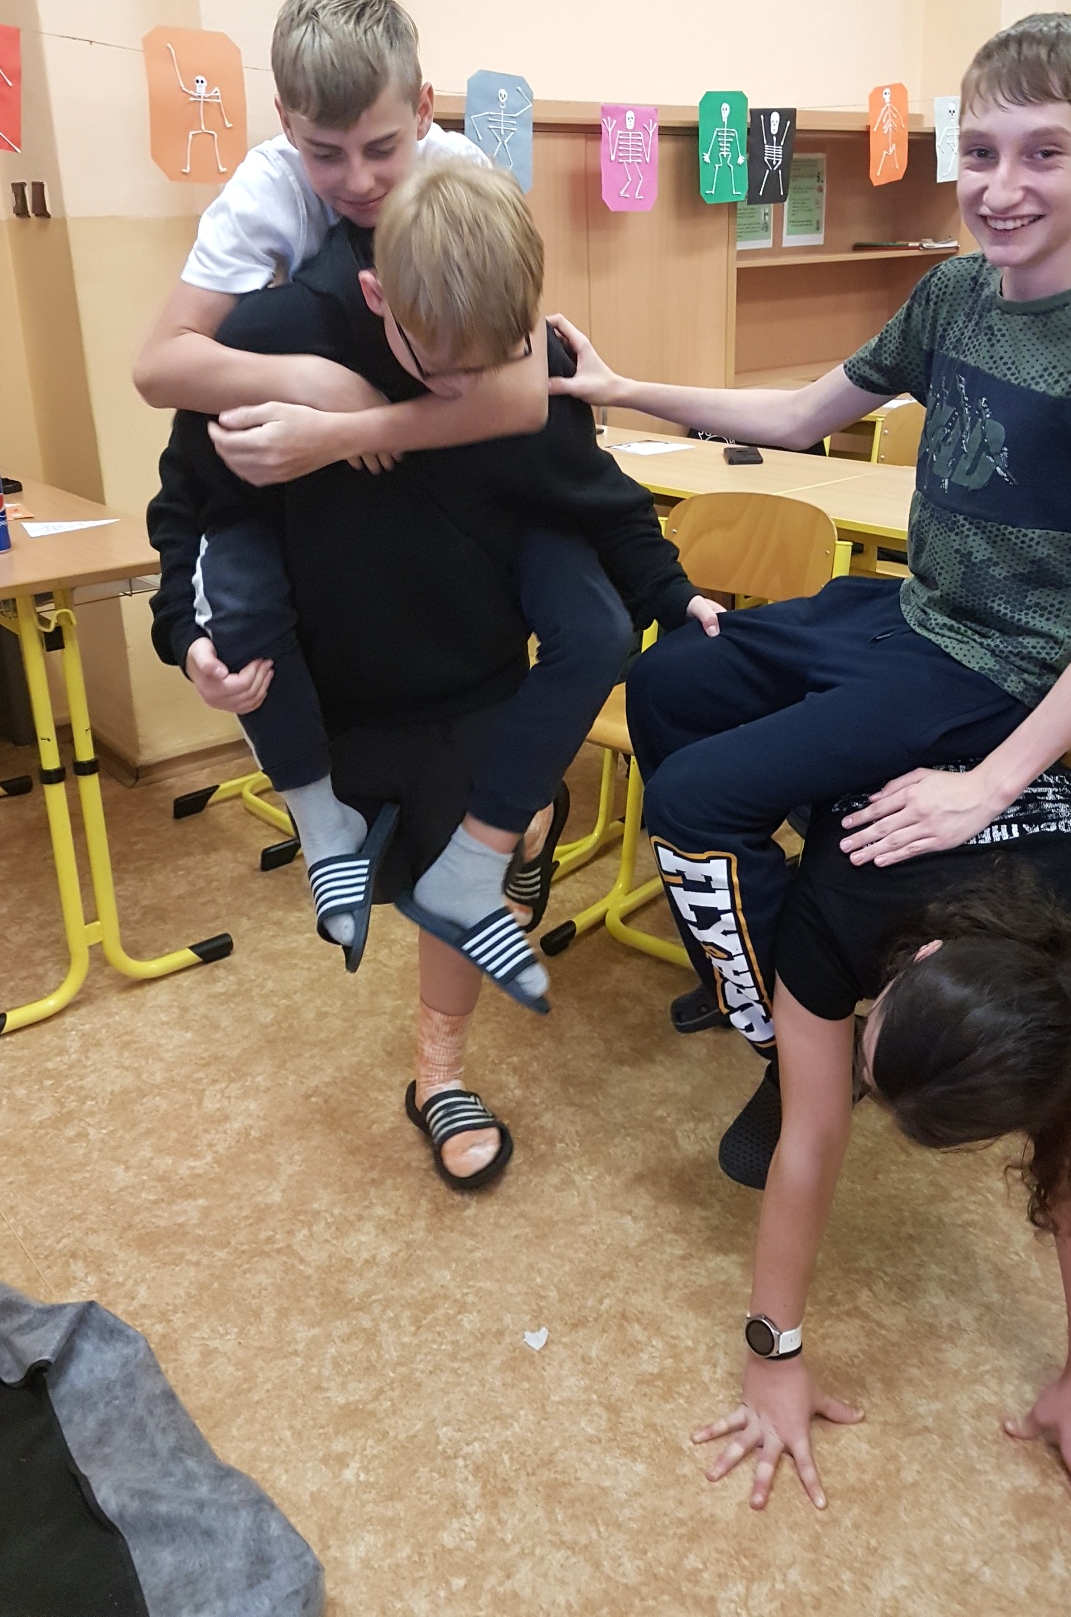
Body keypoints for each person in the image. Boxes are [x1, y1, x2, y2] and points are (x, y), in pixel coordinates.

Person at [547, 11, 1071, 1075]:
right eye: (980, 154)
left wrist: (993, 782)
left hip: (1006, 667)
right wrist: (620, 387)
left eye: (1043, 154)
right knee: (668, 684)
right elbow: (800, 414)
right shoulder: (953, 291)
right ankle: (761, 956)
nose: (1002, 187)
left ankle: (797, 1043)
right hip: (906, 615)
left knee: (693, 798)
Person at [148, 159, 720, 1189]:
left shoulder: (525, 359)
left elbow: (591, 492)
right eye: (441, 365)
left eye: (493, 364)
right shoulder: (273, 334)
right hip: (337, 676)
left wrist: (673, 595)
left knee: (455, 886)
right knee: (401, 869)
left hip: (471, 674)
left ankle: (439, 1076)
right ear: (380, 300)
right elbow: (190, 499)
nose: (466, 392)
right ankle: (530, 821)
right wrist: (183, 633)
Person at [134, 0, 637, 966]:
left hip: (465, 497)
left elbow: (517, 398)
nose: (359, 180)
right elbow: (160, 370)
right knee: (262, 612)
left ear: (424, 110)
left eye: (381, 148)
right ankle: (336, 819)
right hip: (348, 505)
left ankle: (517, 820)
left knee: (588, 633)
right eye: (325, 152)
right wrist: (321, 384)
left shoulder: (462, 173)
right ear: (286, 124)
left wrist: (351, 428)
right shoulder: (266, 197)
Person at [692, 760, 1071, 1535]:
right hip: (887, 741)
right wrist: (770, 1358)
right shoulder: (839, 906)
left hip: (1069, 873)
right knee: (805, 1088)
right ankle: (814, 1050)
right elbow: (810, 1138)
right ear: (921, 955)